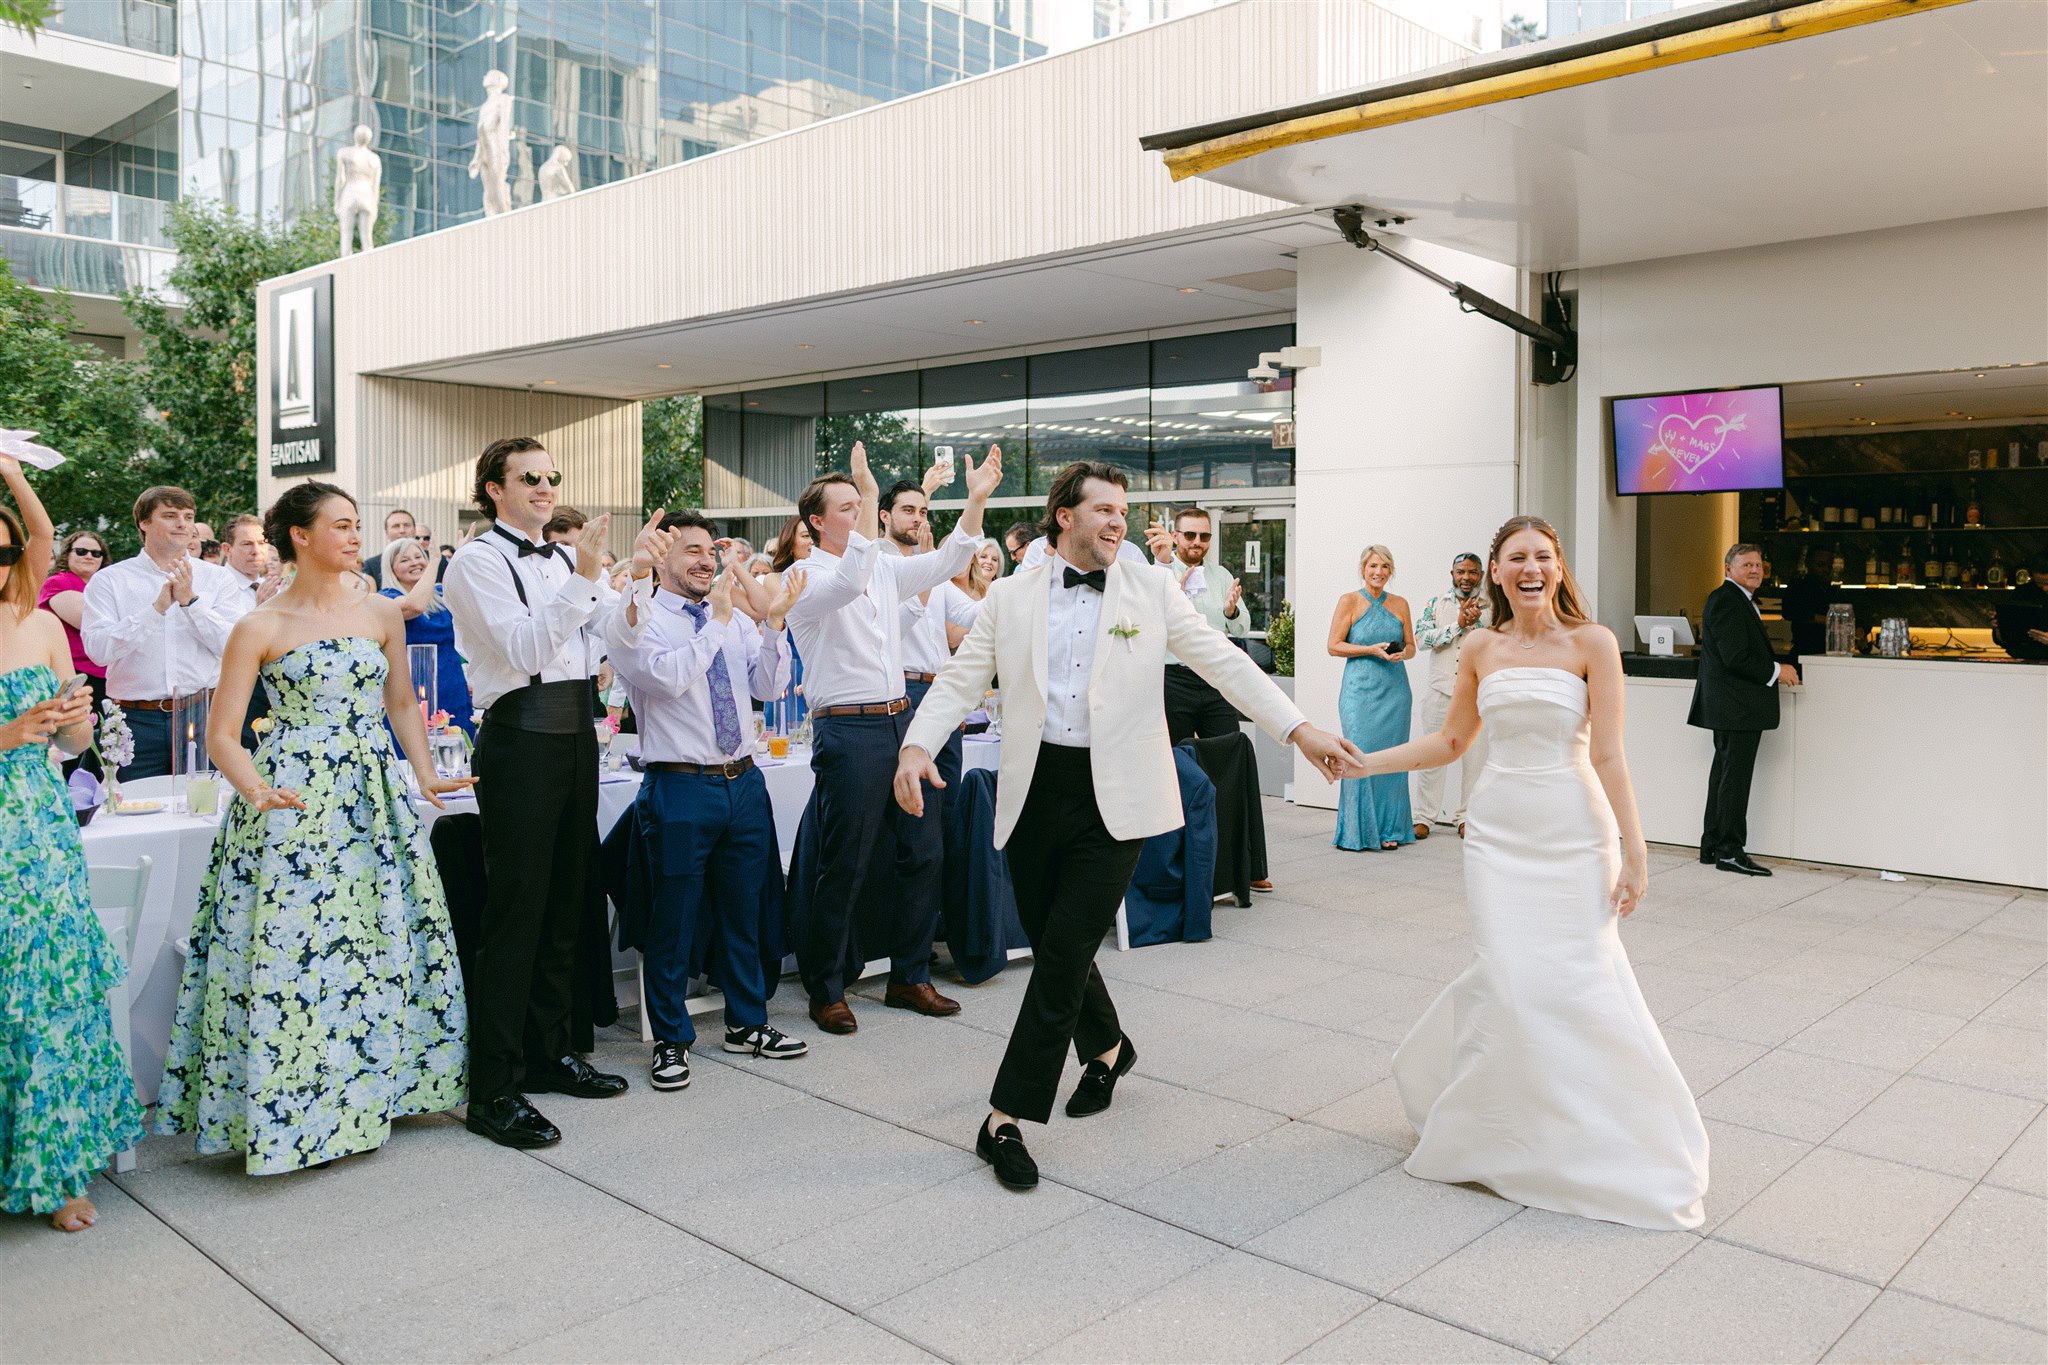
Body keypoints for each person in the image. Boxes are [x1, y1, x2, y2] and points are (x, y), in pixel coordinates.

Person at [893, 461, 1360, 1190]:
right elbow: (960, 678)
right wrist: (917, 743)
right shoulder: (1011, 597)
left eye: (1123, 509)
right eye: (1104, 509)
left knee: (1059, 957)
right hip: (1036, 789)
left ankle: (1004, 1117)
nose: (1118, 520)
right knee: (1059, 940)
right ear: (1064, 517)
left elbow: (1222, 663)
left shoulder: (1150, 588)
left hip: (1118, 795)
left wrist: (1297, 729)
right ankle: (1108, 1045)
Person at [1348, 515, 1708, 1231]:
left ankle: (1608, 1136)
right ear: (1497, 572)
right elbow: (1450, 741)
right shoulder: (1480, 647)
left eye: (1543, 555)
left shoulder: (1594, 644)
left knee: (1577, 981)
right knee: (1509, 981)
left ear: (1560, 567)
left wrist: (1636, 849)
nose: (1532, 567)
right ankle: (1497, 1131)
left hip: (1575, 833)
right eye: (1517, 557)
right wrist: (1365, 759)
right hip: (1497, 836)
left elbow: (1609, 753)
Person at [153, 482, 472, 1175]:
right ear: (300, 535)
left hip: (370, 794)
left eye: (358, 525)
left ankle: (377, 1092)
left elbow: (400, 703)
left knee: (375, 935)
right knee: (294, 954)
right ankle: (291, 1108)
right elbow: (223, 734)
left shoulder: (383, 611)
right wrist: (257, 788)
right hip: (291, 800)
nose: (356, 537)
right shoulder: (258, 625)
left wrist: (423, 773)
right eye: (342, 525)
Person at [443, 438, 627, 1149]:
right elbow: (522, 649)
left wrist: (628, 581)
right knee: (516, 910)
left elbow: (606, 634)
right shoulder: (477, 561)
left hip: (578, 728)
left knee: (566, 900)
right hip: (520, 731)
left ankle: (548, 1052)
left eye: (552, 476)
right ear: (494, 488)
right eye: (531, 478)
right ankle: (492, 1085)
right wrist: (584, 579)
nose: (547, 487)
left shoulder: (563, 558)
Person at [783, 441, 1000, 1036]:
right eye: (848, 506)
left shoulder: (880, 567)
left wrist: (974, 501)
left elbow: (946, 558)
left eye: (861, 504)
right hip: (847, 728)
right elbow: (849, 583)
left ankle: (909, 974)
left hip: (904, 720)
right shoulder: (803, 575)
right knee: (846, 861)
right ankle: (826, 986)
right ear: (816, 523)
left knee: (921, 849)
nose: (858, 514)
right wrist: (874, 502)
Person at [604, 512, 808, 1090]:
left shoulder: (732, 619)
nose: (705, 561)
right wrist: (719, 621)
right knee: (674, 917)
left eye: (709, 552)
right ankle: (671, 1039)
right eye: (690, 550)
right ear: (660, 558)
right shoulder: (639, 618)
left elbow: (768, 689)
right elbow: (666, 679)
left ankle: (747, 1024)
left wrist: (772, 626)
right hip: (680, 785)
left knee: (744, 909)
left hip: (743, 781)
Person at [0, 460, 143, 1232]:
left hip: (38, 826)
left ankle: (54, 1168)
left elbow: (78, 738)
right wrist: (4, 734)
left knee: (49, 988)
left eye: (6, 551)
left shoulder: (44, 623)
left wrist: (73, 714)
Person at [81, 487, 250, 780]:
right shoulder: (110, 580)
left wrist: (191, 604)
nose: (183, 524)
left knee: (204, 811)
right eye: (170, 516)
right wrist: (155, 610)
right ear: (144, 523)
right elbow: (98, 651)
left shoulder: (217, 578)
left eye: (188, 516)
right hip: (133, 720)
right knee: (130, 812)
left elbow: (233, 645)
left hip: (201, 713)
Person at [1688, 543, 1799, 877]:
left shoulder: (1736, 600)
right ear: (1728, 569)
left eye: (1759, 565)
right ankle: (1730, 851)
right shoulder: (1726, 600)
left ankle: (1712, 847)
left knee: (1725, 776)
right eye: (1747, 564)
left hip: (1731, 708)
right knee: (1733, 780)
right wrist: (1778, 670)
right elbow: (1736, 657)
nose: (1755, 570)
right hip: (1735, 708)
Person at [887, 473, 979, 800]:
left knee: (948, 793)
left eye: (923, 512)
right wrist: (928, 572)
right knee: (917, 802)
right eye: (908, 511)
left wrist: (1018, 594)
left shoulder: (936, 572)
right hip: (903, 690)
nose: (917, 519)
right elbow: (886, 633)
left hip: (942, 690)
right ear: (885, 516)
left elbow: (972, 613)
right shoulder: (878, 569)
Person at [1329, 545, 1415, 850]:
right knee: (1360, 755)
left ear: (1390, 571)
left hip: (1395, 691)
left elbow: (1412, 647)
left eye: (1385, 567)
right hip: (1359, 692)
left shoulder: (1401, 603)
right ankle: (1359, 831)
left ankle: (1391, 829)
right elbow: (1334, 645)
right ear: (1363, 569)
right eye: (1373, 566)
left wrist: (1402, 653)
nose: (1378, 572)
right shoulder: (1349, 601)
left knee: (1393, 759)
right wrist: (1370, 649)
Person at [1144, 507, 1250, 745]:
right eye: (1190, 535)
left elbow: (1241, 629)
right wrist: (1174, 600)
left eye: (1205, 536)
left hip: (1214, 674)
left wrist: (1231, 612)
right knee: (1175, 755)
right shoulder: (1160, 573)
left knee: (1227, 746)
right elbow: (1148, 625)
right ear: (1175, 536)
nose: (1197, 542)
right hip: (1174, 678)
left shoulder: (1221, 575)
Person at [1412, 554, 1491, 838]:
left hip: (1476, 694)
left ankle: (1467, 817)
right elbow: (1421, 640)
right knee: (1433, 755)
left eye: (1472, 572)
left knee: (1475, 759)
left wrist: (1475, 623)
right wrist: (1457, 625)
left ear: (1481, 574)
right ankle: (1424, 817)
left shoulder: (1493, 607)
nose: (1466, 577)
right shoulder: (1436, 604)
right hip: (1439, 690)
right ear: (1452, 573)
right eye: (1461, 572)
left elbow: (1498, 642)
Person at [380, 537, 476, 736]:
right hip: (411, 692)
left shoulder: (441, 593)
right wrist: (435, 562)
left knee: (456, 751)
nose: (415, 562)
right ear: (391, 568)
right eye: (405, 560)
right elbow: (414, 606)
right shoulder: (386, 598)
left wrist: (462, 559)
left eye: (418, 556)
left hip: (452, 686)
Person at [36, 528, 111, 772]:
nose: (89, 556)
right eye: (81, 551)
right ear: (67, 554)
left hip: (106, 675)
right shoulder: (59, 582)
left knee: (103, 748)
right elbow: (86, 620)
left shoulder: (103, 587)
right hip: (77, 674)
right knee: (78, 745)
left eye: (96, 552)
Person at [1993, 554, 2048, 660]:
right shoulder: (2023, 593)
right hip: (2022, 658)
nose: (2045, 588)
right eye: (2040, 584)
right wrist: (1999, 626)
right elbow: (2003, 640)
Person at [363, 507, 417, 589]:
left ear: (415, 530)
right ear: (386, 533)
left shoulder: (437, 562)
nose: (402, 530)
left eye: (406, 525)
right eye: (396, 526)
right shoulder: (371, 566)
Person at [953, 540, 1003, 605]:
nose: (989, 562)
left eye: (994, 559)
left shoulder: (1002, 591)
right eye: (983, 557)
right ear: (972, 560)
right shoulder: (960, 590)